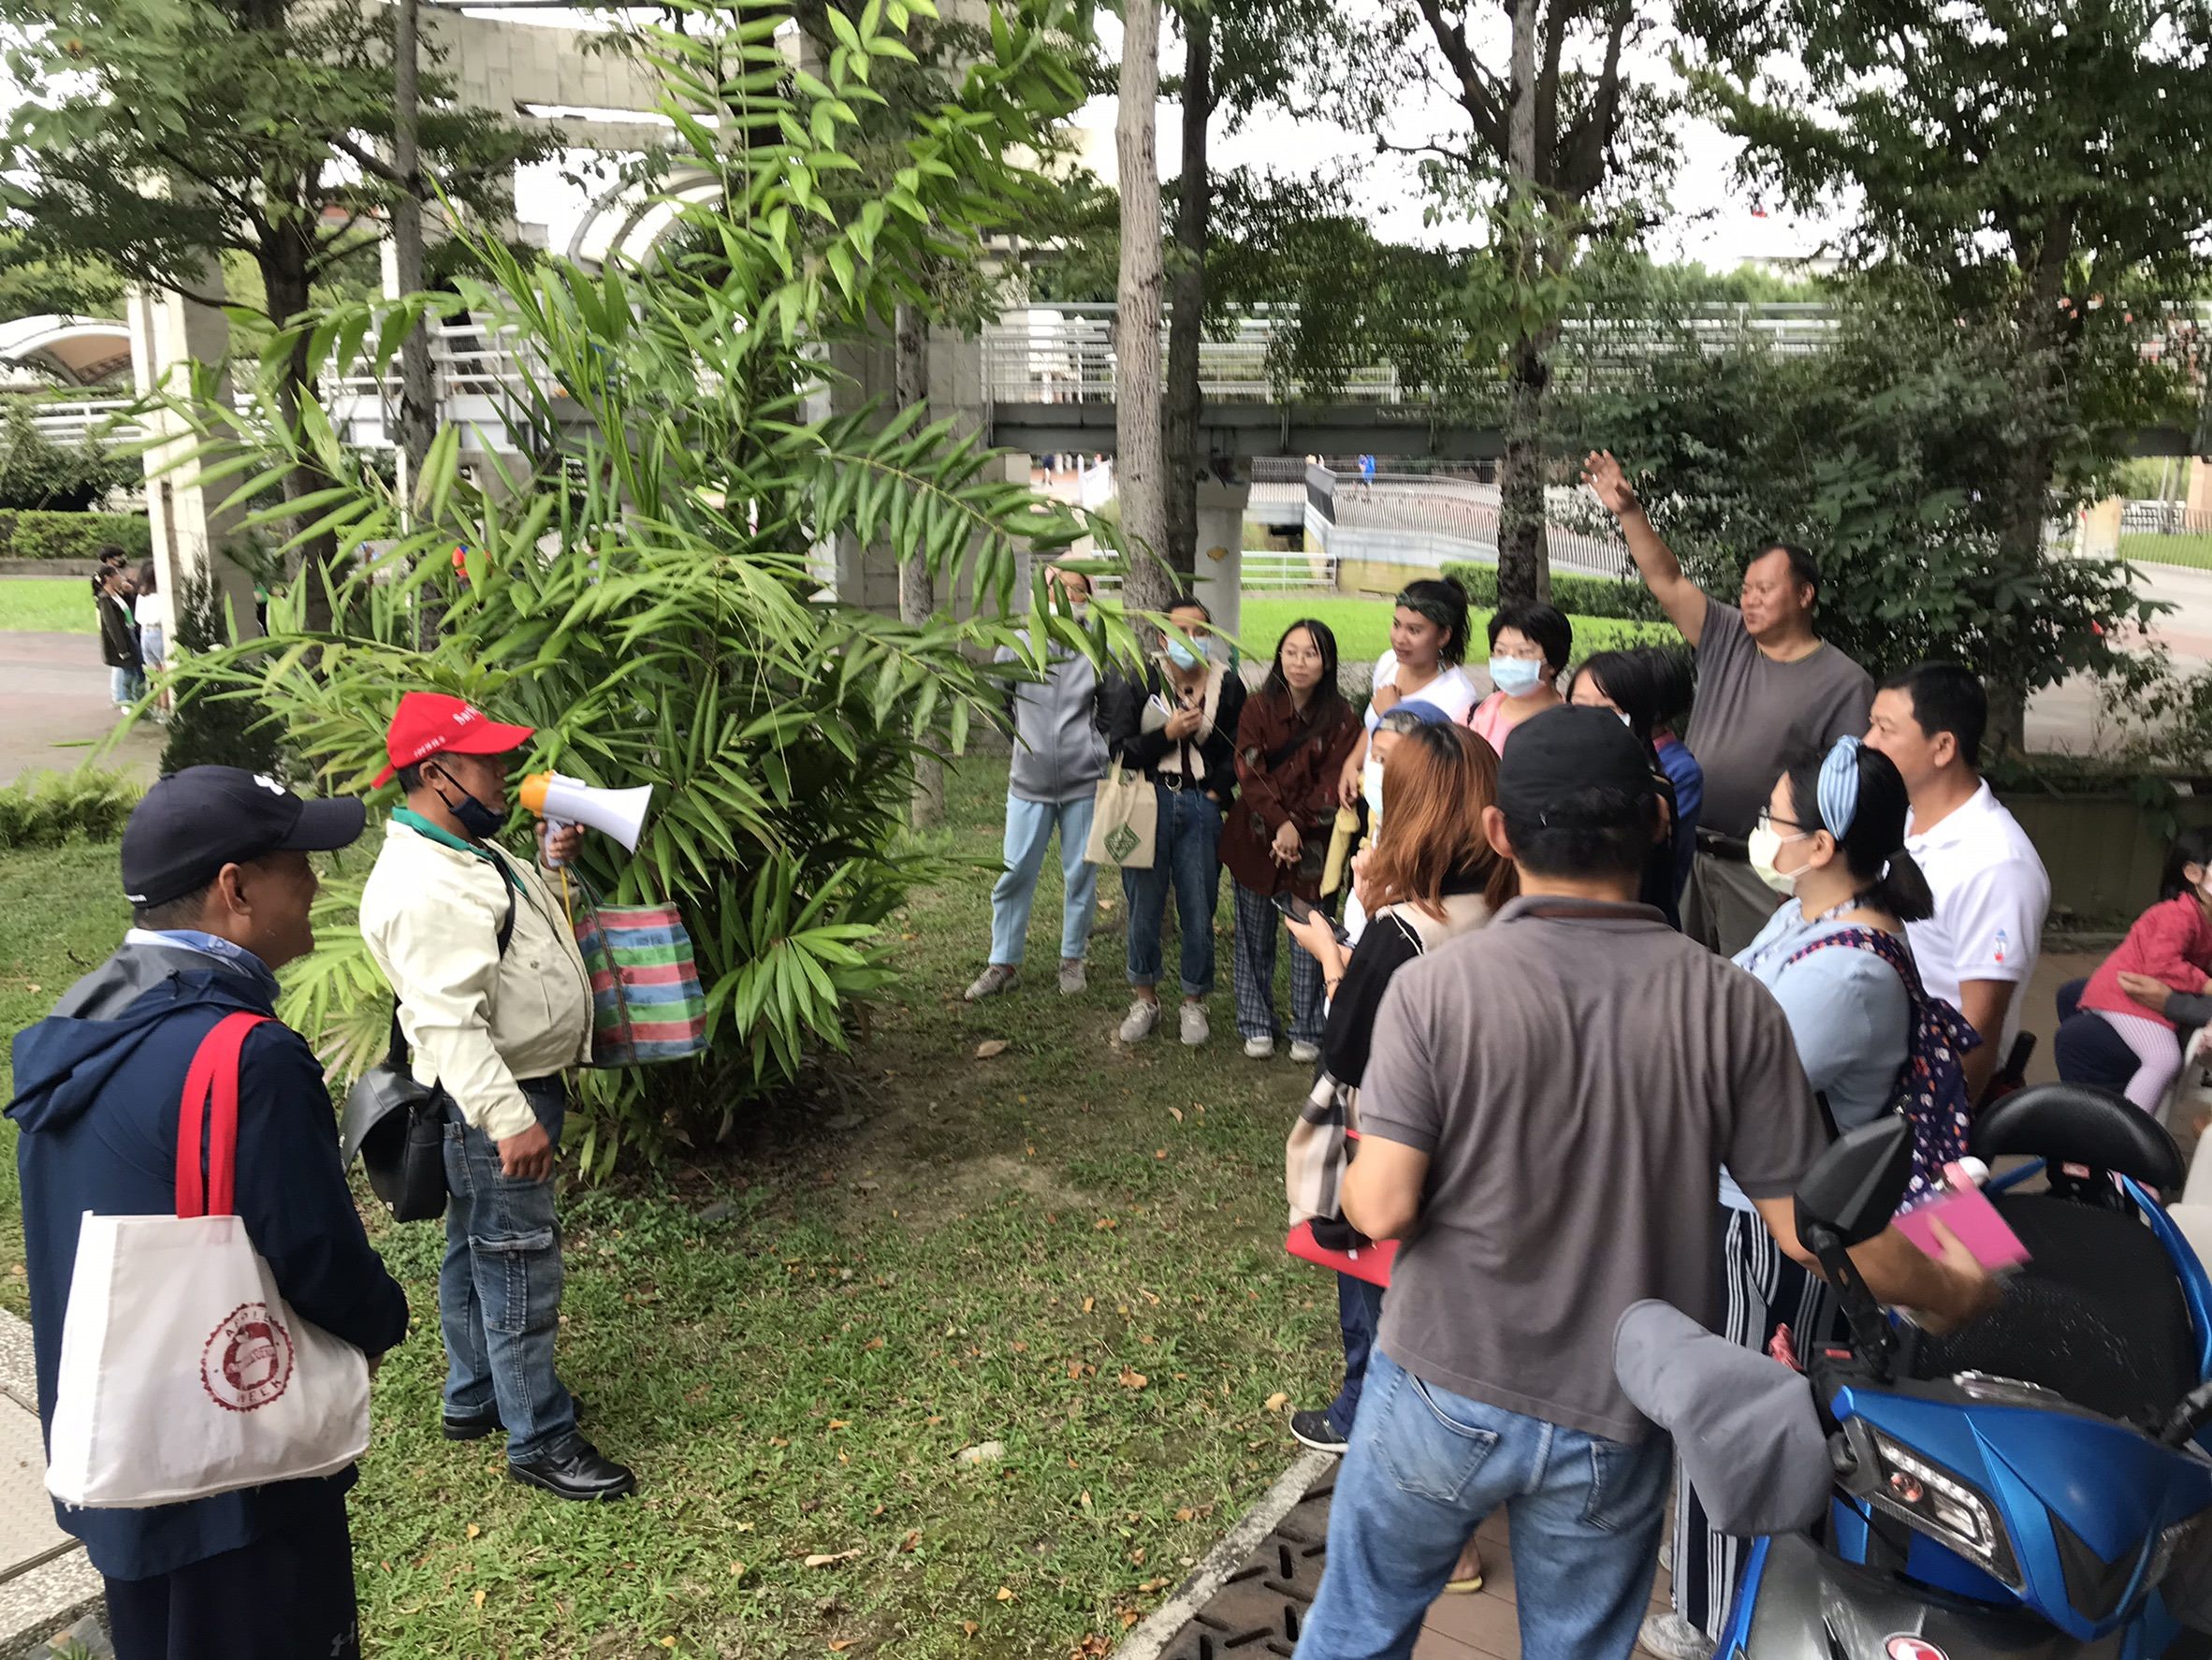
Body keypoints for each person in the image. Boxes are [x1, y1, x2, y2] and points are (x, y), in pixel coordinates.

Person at [1289, 705, 2000, 1660]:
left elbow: (1378, 1205)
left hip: (1438, 1387)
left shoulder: (1436, 988)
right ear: (1659, 826)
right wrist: (1956, 1279)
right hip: (1615, 1412)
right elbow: (1809, 1227)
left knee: (1357, 1631)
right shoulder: (1732, 1005)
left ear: (1499, 834)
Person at [7, 767, 409, 1660]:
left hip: (126, 1443)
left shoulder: (79, 1020)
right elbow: (314, 1256)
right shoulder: (249, 1055)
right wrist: (384, 1322)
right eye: (298, 864)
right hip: (236, 1468)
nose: (316, 885)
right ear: (235, 887)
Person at [1645, 735, 1943, 1660]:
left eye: (1777, 818)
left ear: (1821, 843)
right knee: (1735, 1404)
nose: (1762, 832)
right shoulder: (1815, 918)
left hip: (1778, 1236)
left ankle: (1715, 1619)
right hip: (1749, 1212)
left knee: (1738, 1414)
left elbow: (1714, 1073)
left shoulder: (1847, 973)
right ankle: (1719, 1590)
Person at [358, 692, 636, 1501]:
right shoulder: (424, 885)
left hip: (505, 1093)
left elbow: (521, 938)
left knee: (475, 1245)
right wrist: (511, 1121)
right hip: (498, 1099)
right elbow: (447, 1022)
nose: (507, 772)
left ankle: (475, 1392)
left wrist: (551, 866)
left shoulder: (465, 852)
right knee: (518, 1264)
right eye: (488, 760)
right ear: (437, 772)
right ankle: (540, 1437)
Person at [1282, 722, 1516, 1596]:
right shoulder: (1514, 908)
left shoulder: (1401, 932)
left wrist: (1333, 964)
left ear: (1411, 812)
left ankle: (1435, 1539)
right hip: (1490, 1160)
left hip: (1397, 1162)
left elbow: (1353, 1047)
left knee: (1388, 1330)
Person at [1583, 450, 1874, 955]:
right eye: (1744, 589)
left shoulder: (1845, 682)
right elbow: (1666, 580)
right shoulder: (1726, 634)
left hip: (1765, 873)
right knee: (1682, 981)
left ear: (1805, 595)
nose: (1749, 599)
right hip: (1687, 851)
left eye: (1764, 589)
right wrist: (1629, 512)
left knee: (1756, 991)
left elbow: (1846, 791)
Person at [1863, 662, 2050, 1104]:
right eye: (1870, 725)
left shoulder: (1998, 866)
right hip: (1875, 1060)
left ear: (1943, 746)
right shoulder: (1902, 816)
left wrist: (1929, 1136)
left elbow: (1979, 1031)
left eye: (1885, 730)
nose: (1867, 743)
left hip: (1925, 1089)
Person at [1099, 597, 1246, 1047]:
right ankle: (1144, 997)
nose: (1190, 640)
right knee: (1143, 902)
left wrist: (1217, 793)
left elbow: (1239, 749)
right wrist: (1167, 734)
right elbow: (1120, 749)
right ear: (1162, 637)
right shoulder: (1143, 680)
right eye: (1179, 632)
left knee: (1199, 906)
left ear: (1210, 635)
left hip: (1201, 804)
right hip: (1148, 800)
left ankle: (1194, 1002)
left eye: (1199, 631)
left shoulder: (1228, 684)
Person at [964, 566, 1111, 1001]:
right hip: (1028, 781)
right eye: (1059, 587)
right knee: (1014, 872)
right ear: (1043, 594)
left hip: (1084, 781)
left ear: (1088, 597)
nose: (1068, 596)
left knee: (1081, 873)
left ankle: (1072, 958)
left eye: (1077, 589)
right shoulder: (1019, 642)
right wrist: (1025, 742)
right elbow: (998, 697)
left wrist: (1093, 746)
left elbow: (1113, 704)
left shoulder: (1097, 647)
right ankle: (1002, 961)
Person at [1222, 619, 1361, 1061]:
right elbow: (1249, 770)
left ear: (1327, 662)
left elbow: (1336, 780)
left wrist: (1296, 826)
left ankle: (1309, 1025)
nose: (1300, 662)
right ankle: (1256, 1021)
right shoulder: (1257, 708)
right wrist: (1280, 822)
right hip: (1256, 837)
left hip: (1314, 846)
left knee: (1312, 930)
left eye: (1311, 653)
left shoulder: (1342, 717)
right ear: (1280, 656)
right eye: (1292, 651)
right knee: (1252, 933)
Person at [2063, 828, 2212, 1112]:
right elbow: (2165, 966)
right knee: (2163, 1059)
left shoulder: (2203, 916)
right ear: (2193, 874)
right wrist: (2205, 985)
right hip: (2125, 997)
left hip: (2136, 998)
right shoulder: (2176, 916)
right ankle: (2128, 1135)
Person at [1566, 646, 1694, 927]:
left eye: (1608, 709)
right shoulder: (1556, 774)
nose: (1589, 718)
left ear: (1638, 716)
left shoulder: (1652, 795)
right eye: (1578, 705)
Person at [1336, 578, 1480, 821]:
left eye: (1414, 630)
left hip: (1409, 810)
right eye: (1396, 625)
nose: (1399, 639)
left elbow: (1440, 767)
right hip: (1369, 797)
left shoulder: (1457, 695)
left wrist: (1391, 715)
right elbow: (1372, 726)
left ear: (1443, 636)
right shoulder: (1388, 664)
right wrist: (1352, 763)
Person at [1464, 600, 1569, 752]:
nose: (1509, 661)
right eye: (1501, 651)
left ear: (1553, 663)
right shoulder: (1474, 715)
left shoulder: (1571, 725)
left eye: (1524, 652)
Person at [97, 564, 143, 712]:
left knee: (137, 669)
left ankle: (136, 700)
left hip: (130, 633)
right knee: (128, 671)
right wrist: (121, 649)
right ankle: (126, 701)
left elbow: (129, 608)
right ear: (108, 578)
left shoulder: (118, 595)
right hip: (123, 638)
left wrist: (130, 592)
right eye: (116, 575)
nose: (120, 578)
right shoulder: (105, 599)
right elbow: (112, 626)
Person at [134, 560, 168, 722]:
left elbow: (137, 618)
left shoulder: (141, 595)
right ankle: (165, 709)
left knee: (154, 675)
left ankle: (156, 707)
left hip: (145, 634)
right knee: (165, 673)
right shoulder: (160, 597)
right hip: (158, 632)